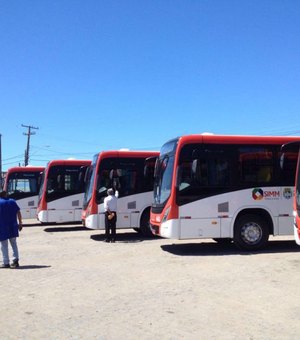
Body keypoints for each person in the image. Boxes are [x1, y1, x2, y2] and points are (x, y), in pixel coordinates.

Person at [0, 190, 23, 269]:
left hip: (2, 227)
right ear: (5, 194)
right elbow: (18, 212)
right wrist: (20, 223)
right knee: (14, 244)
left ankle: (6, 262)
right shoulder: (12, 201)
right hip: (13, 226)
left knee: (4, 245)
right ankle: (15, 261)